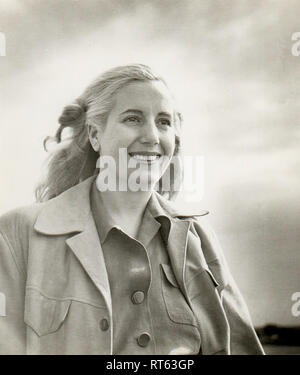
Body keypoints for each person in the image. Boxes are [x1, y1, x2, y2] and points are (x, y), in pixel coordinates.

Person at [0, 64, 264, 355]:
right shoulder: (17, 234)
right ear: (94, 135)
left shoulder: (197, 238)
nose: (152, 136)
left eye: (164, 122)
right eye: (133, 119)